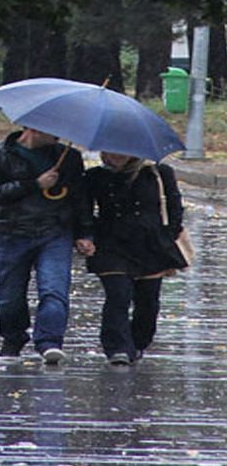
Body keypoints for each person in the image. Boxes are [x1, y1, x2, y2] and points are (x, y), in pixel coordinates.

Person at [0, 127, 92, 365]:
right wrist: (34, 184)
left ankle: (50, 342)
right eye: (52, 130)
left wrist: (85, 232)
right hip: (11, 233)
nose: (58, 135)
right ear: (33, 129)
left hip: (55, 232)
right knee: (10, 295)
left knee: (54, 288)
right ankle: (12, 339)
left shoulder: (68, 157)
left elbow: (80, 197)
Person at [81, 152, 187, 365]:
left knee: (148, 301)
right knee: (118, 295)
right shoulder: (94, 176)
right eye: (110, 151)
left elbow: (174, 206)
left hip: (151, 246)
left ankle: (138, 343)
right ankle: (117, 347)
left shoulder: (158, 173)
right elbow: (82, 209)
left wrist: (167, 236)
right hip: (111, 244)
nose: (116, 156)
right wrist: (85, 235)